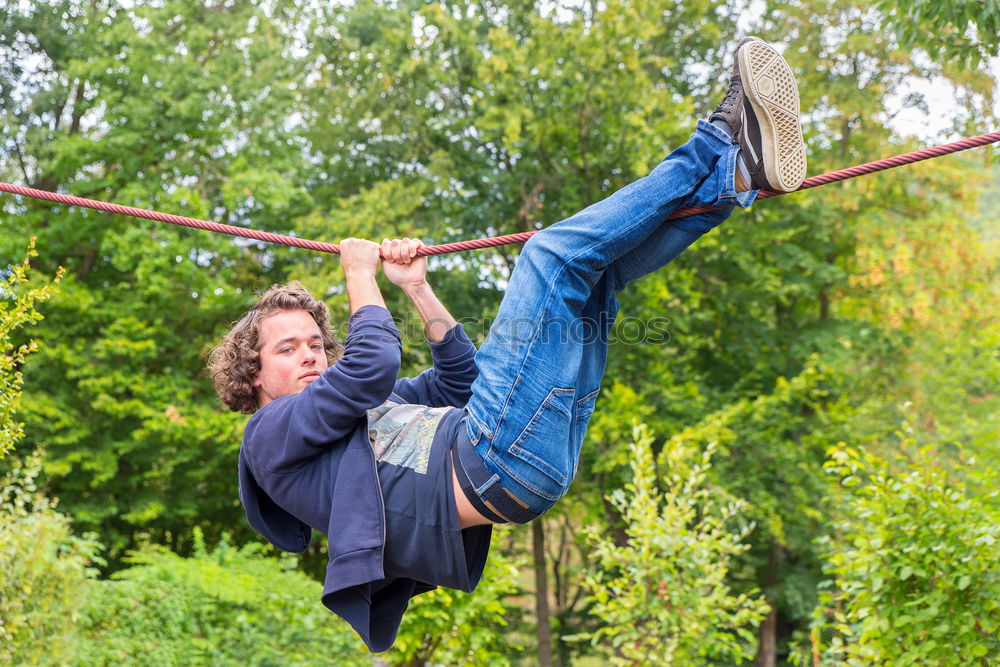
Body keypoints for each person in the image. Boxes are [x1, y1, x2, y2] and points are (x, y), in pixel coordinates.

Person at [209, 36, 807, 652]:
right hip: (491, 459)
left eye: (314, 343)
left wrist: (416, 290)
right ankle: (717, 138)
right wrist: (358, 275)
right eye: (288, 349)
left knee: (593, 280)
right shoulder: (271, 435)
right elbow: (373, 361)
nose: (310, 354)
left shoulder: (356, 421)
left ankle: (732, 181)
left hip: (524, 464)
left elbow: (458, 383)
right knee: (548, 256)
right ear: (252, 376)